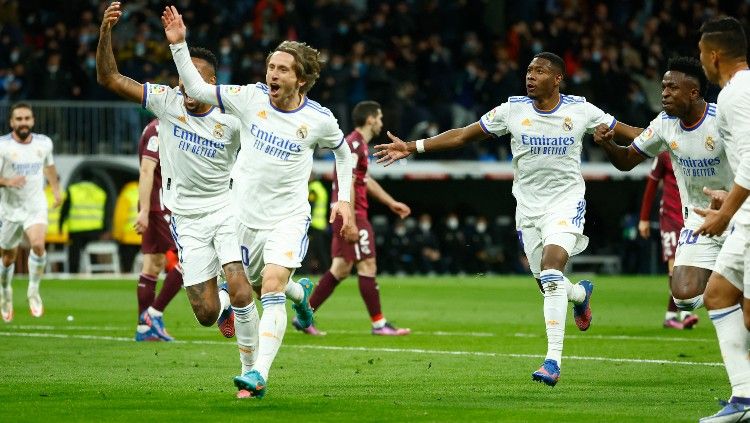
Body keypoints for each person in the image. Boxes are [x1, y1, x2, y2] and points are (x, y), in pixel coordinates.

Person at [374, 52, 641, 387]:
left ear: (557, 78)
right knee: (548, 284)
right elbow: (463, 135)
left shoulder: (581, 110)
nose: (530, 76)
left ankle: (552, 361)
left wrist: (669, 140)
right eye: (528, 70)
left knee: (552, 268)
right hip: (527, 208)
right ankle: (578, 295)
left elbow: (631, 132)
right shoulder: (512, 110)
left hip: (565, 202)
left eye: (540, 71)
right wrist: (414, 146)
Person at [163, 5, 356, 399]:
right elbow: (198, 91)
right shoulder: (249, 98)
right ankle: (301, 295)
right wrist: (179, 46)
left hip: (287, 217)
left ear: (300, 79)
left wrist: (346, 200)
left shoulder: (319, 119)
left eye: (283, 69)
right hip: (243, 217)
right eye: (271, 66)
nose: (273, 74)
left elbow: (344, 153)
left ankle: (257, 375)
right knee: (247, 290)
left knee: (269, 286)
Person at [97, 2, 252, 360]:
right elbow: (110, 78)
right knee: (206, 314)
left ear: (211, 84)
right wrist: (105, 33)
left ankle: (251, 371)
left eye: (193, 78)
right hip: (185, 218)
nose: (184, 84)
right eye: (181, 76)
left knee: (242, 286)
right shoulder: (168, 103)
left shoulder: (232, 116)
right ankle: (224, 302)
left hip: (227, 209)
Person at [592, 57, 732, 330]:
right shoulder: (665, 124)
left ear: (693, 92)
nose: (664, 93)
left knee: (727, 298)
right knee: (684, 298)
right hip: (698, 221)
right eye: (663, 87)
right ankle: (732, 286)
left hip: (735, 215)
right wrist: (609, 145)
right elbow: (627, 160)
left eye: (672, 88)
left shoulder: (722, 120)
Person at [294, 100, 411, 337]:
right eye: (378, 118)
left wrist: (390, 203)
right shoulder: (355, 144)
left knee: (340, 268)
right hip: (353, 213)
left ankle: (304, 315)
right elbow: (348, 183)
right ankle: (379, 324)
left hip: (348, 211)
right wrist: (352, 221)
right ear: (370, 119)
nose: (380, 122)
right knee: (367, 265)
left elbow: (363, 180)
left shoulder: (357, 145)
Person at [692, 17, 750, 422]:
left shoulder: (734, 95)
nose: (701, 62)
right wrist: (728, 197)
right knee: (719, 295)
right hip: (745, 209)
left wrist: (724, 212)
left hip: (747, 216)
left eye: (700, 54)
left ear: (714, 55)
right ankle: (744, 398)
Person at [0, 102, 62, 322]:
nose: (23, 122)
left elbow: (50, 166)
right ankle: (5, 292)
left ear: (33, 120)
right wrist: (7, 181)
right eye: (19, 119)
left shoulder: (44, 143)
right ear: (11, 122)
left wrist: (55, 190)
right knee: (7, 257)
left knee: (38, 244)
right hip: (9, 209)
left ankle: (33, 291)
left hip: (35, 205)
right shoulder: (3, 146)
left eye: (27, 118)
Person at [131, 119, 188, 341]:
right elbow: (146, 169)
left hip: (155, 204)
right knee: (190, 258)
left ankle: (144, 330)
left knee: (152, 264)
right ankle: (153, 315)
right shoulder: (158, 129)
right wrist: (145, 210)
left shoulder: (159, 126)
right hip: (159, 205)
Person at [637, 152, 696, 329]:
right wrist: (644, 218)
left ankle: (671, 315)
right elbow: (652, 184)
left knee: (689, 265)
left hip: (691, 216)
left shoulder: (694, 150)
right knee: (675, 266)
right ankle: (685, 312)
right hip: (670, 216)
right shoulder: (664, 154)